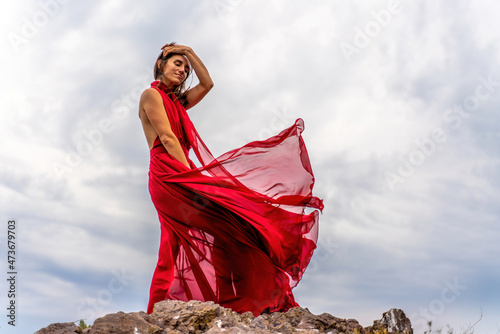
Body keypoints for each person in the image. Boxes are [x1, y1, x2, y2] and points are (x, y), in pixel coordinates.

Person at [139, 43, 324, 316]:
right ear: (160, 65)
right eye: (177, 64)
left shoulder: (178, 102)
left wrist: (189, 51)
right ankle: (156, 314)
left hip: (183, 171)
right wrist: (192, 177)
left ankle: (232, 298)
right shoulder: (151, 95)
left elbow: (208, 83)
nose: (182, 70)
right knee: (178, 240)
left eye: (186, 68)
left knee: (227, 222)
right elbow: (167, 138)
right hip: (170, 174)